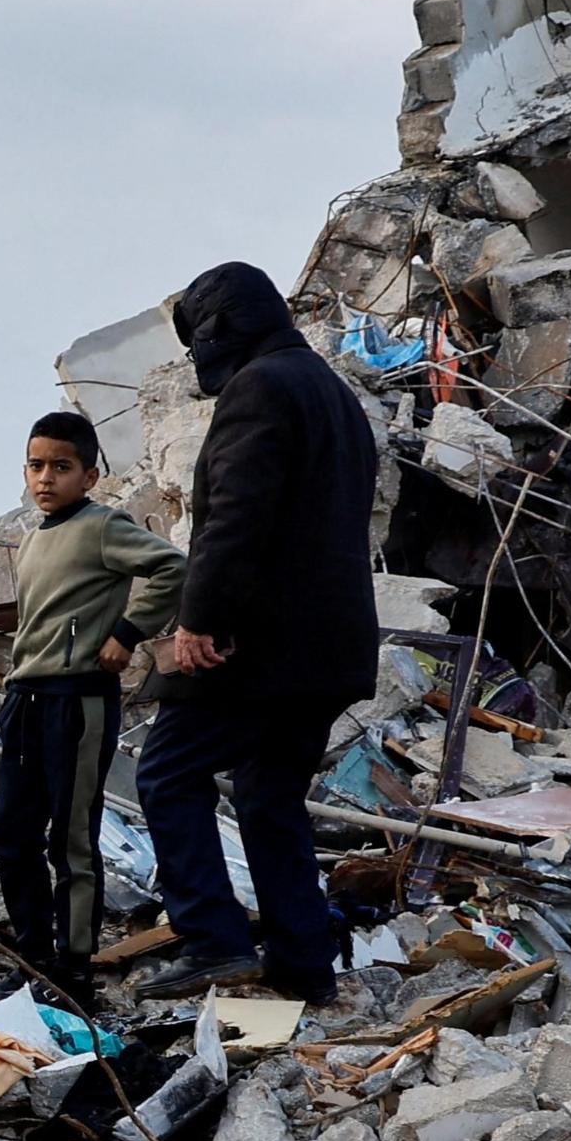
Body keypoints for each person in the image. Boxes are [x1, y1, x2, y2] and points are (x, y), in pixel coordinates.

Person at [132, 261, 383, 1006]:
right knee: (270, 795)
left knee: (166, 773)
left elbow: (237, 518)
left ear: (222, 327)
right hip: (330, 650)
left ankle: (213, 942)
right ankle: (304, 965)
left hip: (263, 644)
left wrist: (200, 620)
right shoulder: (332, 393)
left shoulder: (262, 387)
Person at [0, 410, 184, 1006]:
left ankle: (73, 970)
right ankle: (33, 959)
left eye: (61, 466)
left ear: (91, 475)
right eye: (36, 464)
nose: (45, 477)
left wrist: (127, 633)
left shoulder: (104, 526)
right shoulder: (32, 540)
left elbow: (171, 567)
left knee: (71, 842)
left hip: (77, 703)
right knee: (11, 836)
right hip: (25, 698)